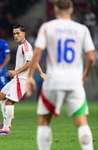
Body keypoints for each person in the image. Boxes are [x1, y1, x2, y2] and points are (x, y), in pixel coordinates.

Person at [26, 0, 95, 149]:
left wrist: (30, 76)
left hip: (53, 81)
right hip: (75, 82)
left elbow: (37, 52)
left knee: (44, 121)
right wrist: (85, 75)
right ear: (71, 10)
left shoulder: (47, 28)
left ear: (55, 10)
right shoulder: (82, 29)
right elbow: (91, 57)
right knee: (82, 122)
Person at [0, 24, 46, 135]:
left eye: (18, 33)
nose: (16, 36)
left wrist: (16, 72)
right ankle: (6, 123)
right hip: (17, 78)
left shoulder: (26, 46)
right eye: (14, 34)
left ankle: (6, 129)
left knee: (9, 102)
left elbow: (29, 63)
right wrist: (41, 73)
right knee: (1, 96)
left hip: (22, 79)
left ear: (24, 33)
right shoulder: (22, 46)